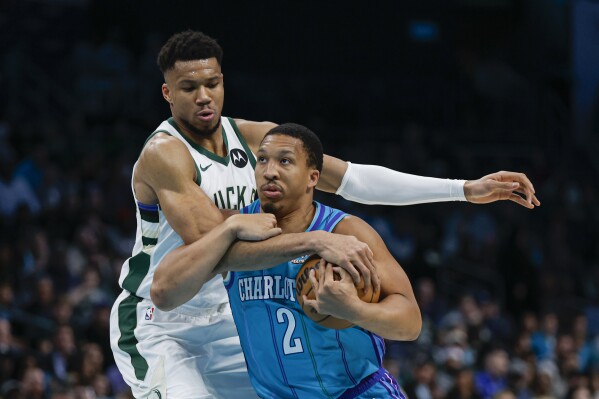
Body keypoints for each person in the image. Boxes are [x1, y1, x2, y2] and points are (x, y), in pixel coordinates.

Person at [109, 30, 540, 398]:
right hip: (163, 323)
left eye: (213, 83)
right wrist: (316, 239)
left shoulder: (258, 140)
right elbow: (221, 252)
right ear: (167, 93)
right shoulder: (164, 154)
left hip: (228, 320)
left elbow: (354, 179)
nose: (204, 97)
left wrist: (463, 190)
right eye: (189, 88)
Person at [222, 123, 420, 397]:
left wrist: (353, 310)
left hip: (358, 392)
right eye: (262, 160)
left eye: (285, 161)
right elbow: (167, 286)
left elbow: (411, 323)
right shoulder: (233, 228)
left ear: (312, 177)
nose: (270, 172)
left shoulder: (347, 231)